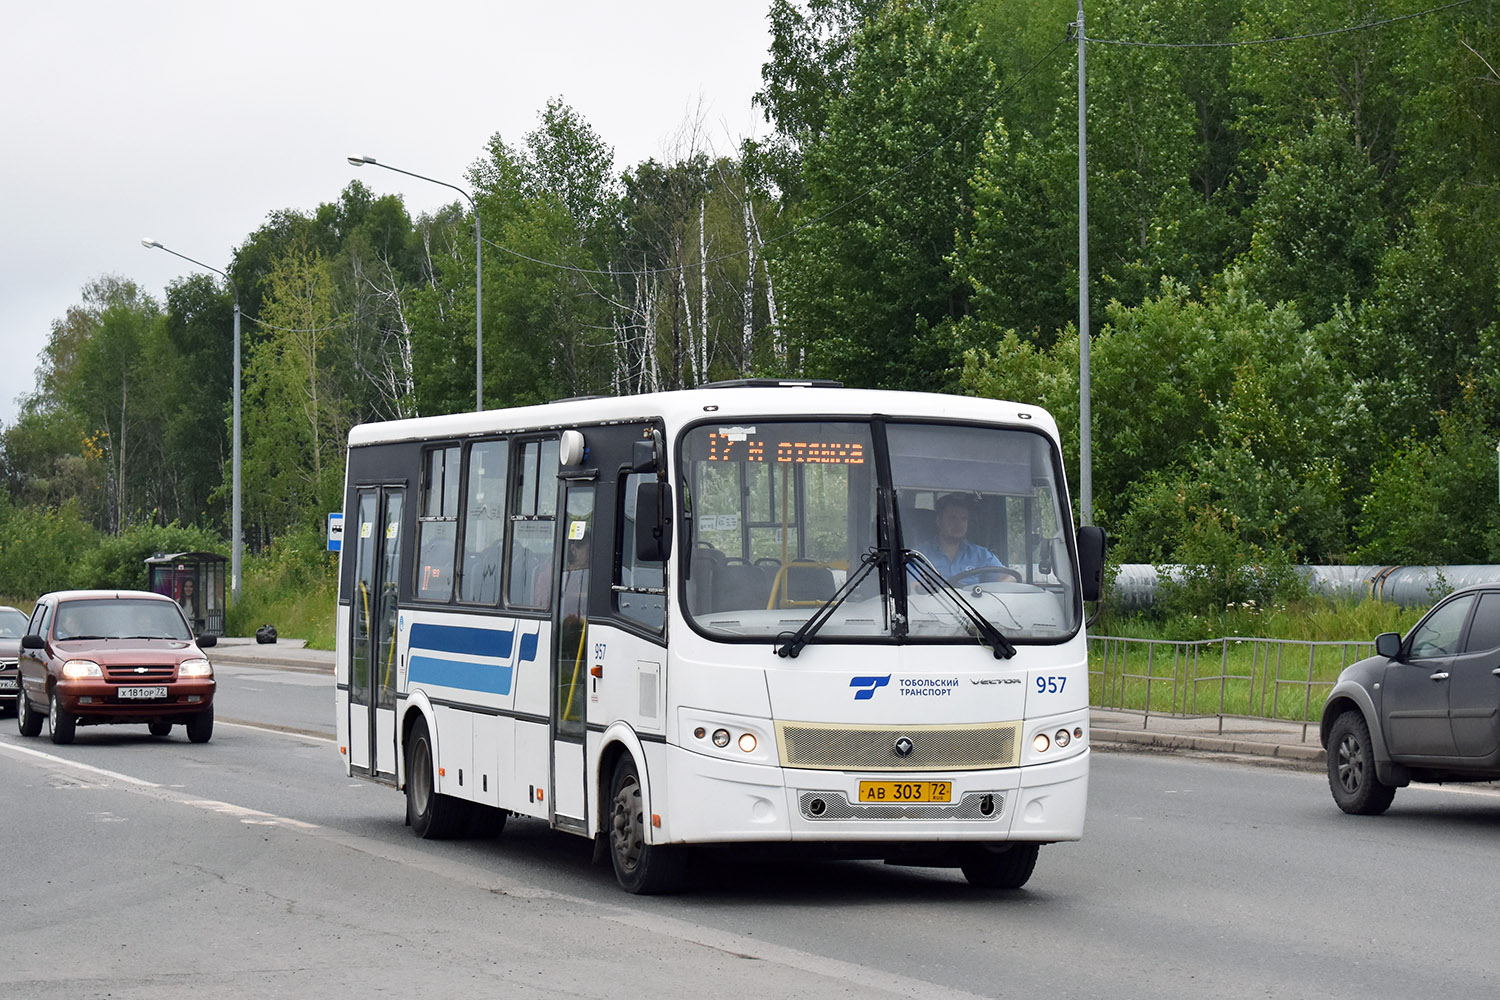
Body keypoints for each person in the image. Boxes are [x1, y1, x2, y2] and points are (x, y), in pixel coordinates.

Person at [912, 493, 1020, 582]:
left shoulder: (980, 554)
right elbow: (910, 587)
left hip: (972, 607)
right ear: (939, 521)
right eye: (953, 518)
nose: (959, 524)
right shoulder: (919, 555)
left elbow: (1010, 577)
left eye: (964, 519)